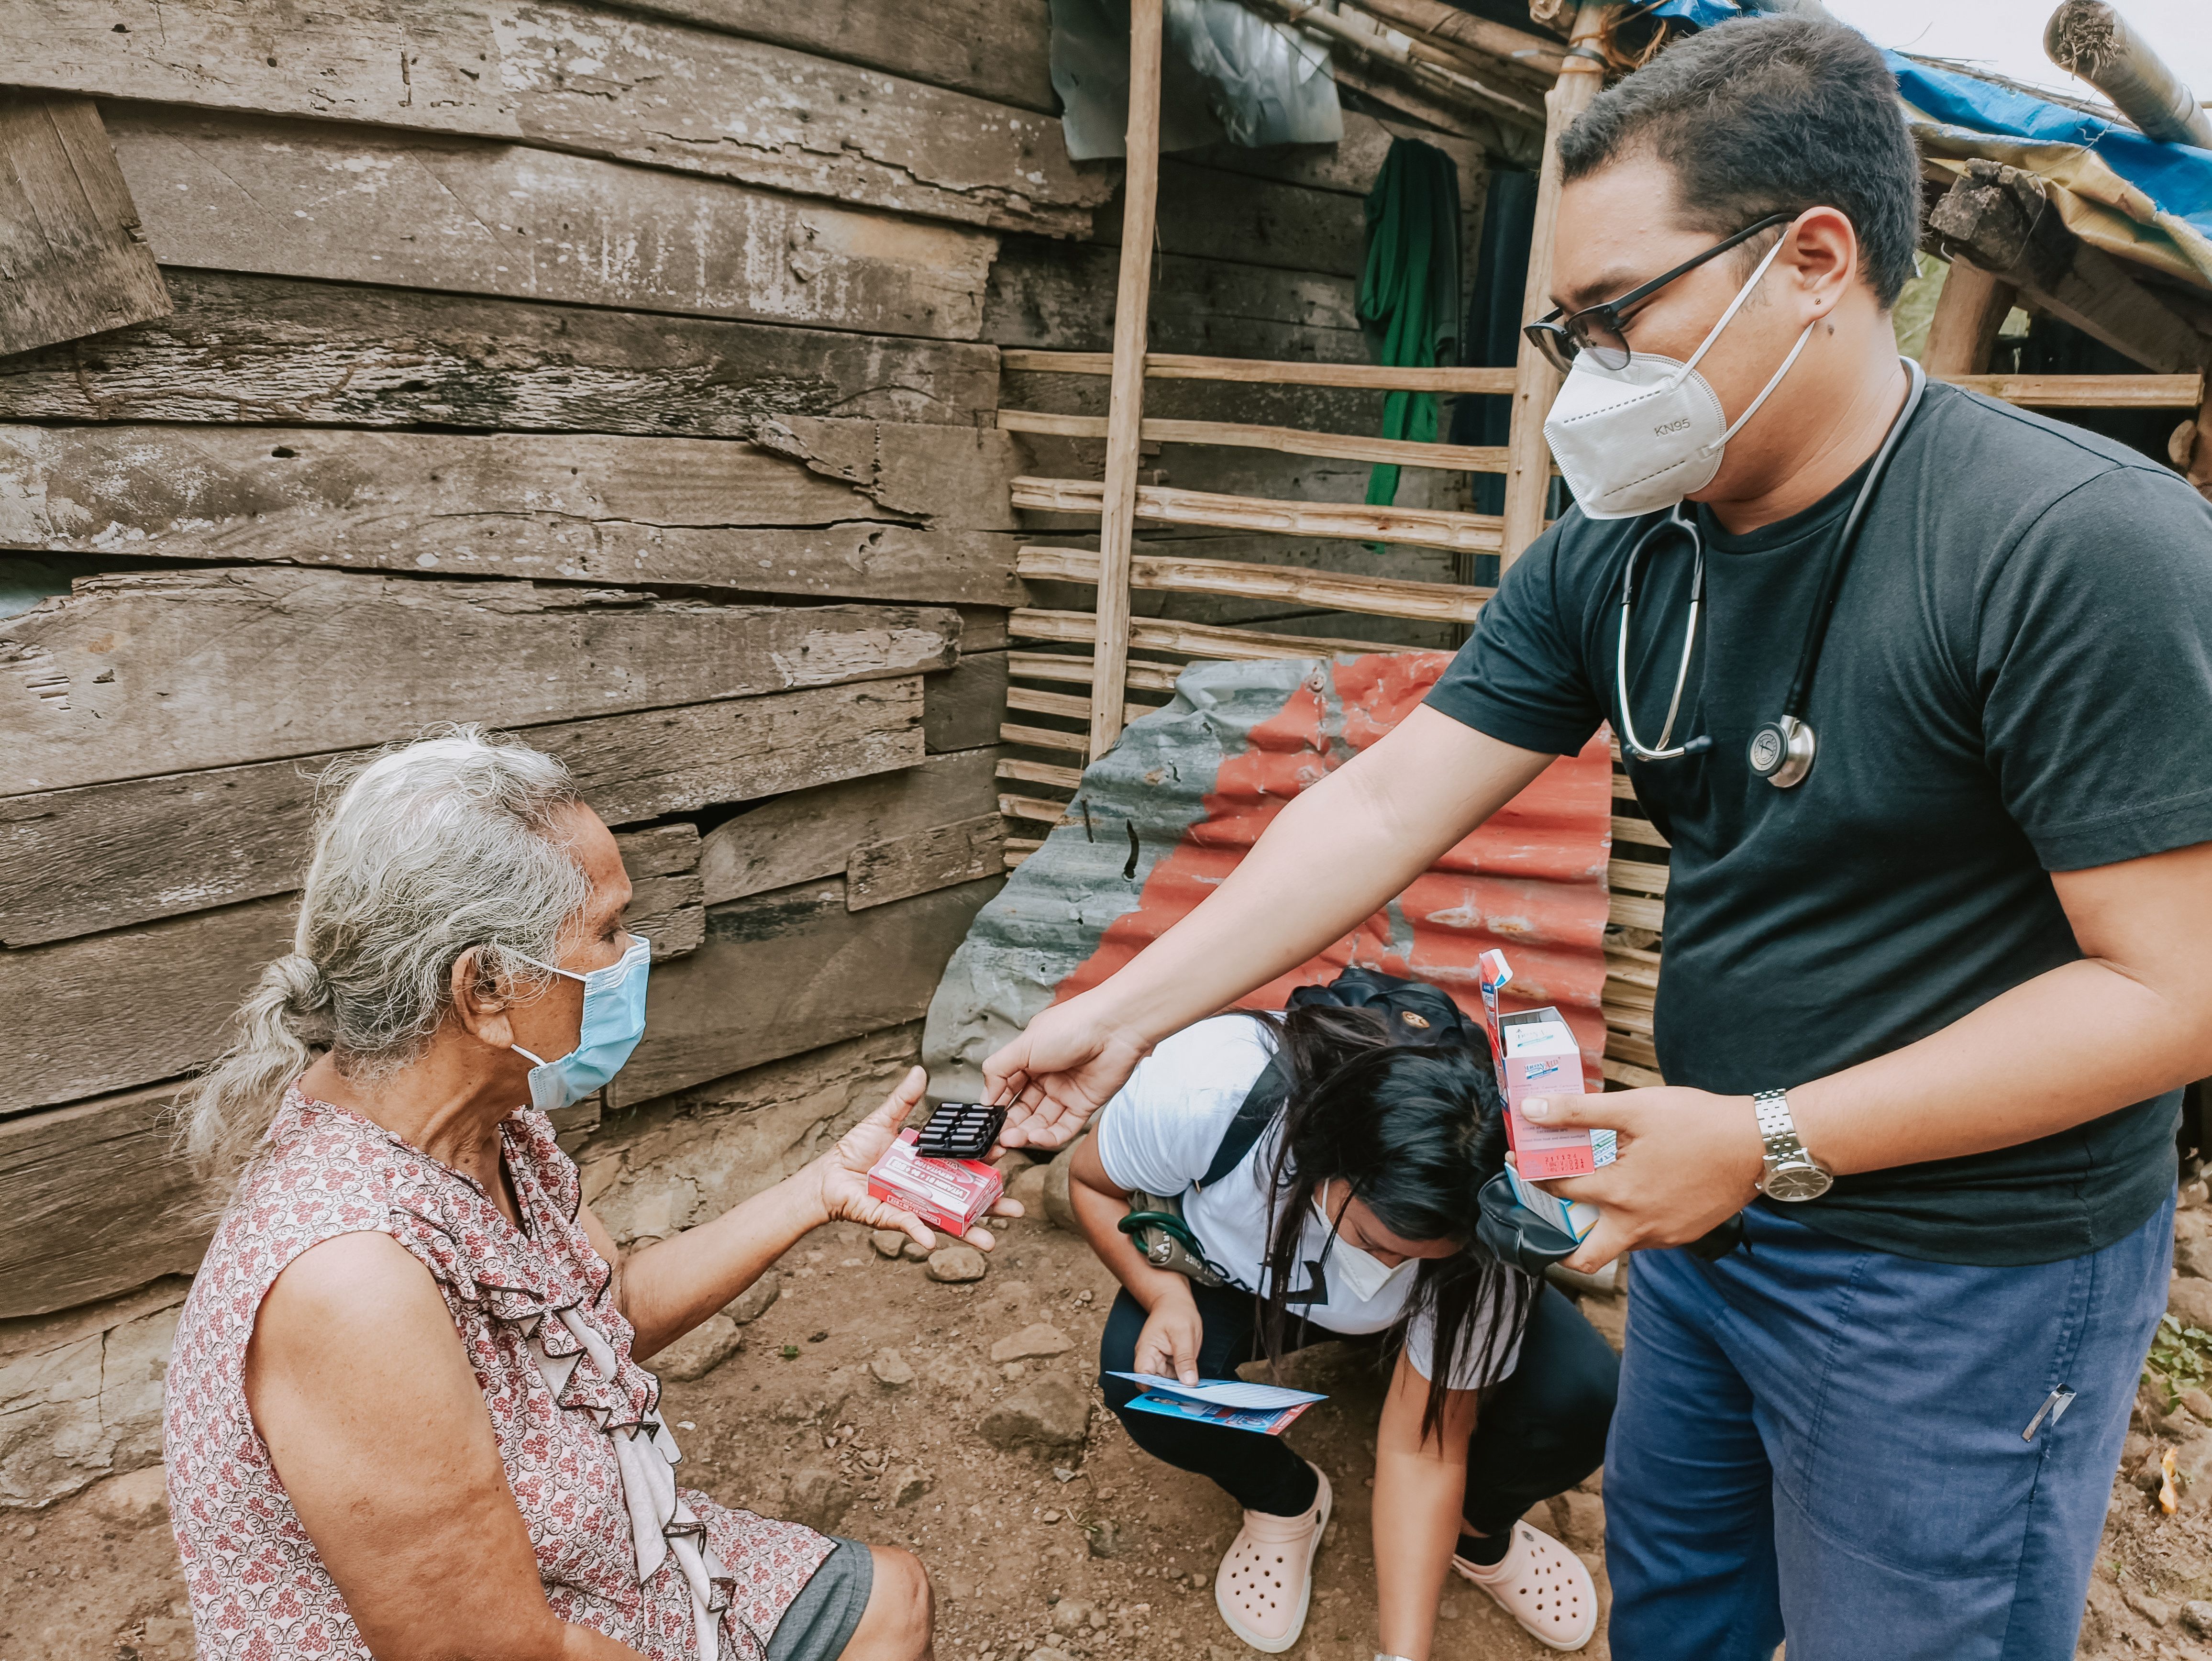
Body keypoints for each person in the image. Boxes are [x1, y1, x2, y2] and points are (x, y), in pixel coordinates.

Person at [984, 16, 2212, 1661]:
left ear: (1812, 260)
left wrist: (1771, 1136)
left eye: (1611, 318)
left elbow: (2169, 992)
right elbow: (1380, 800)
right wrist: (1120, 1009)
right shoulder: (1619, 553)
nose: (1585, 375)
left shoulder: (2075, 547)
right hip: (1703, 1215)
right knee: (1679, 1611)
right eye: (1563, 334)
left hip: (1959, 1278)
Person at [165, 729, 1017, 1661]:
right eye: (609, 929)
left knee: (892, 1599)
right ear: (485, 987)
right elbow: (492, 1650)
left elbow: (610, 1313)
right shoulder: (351, 1280)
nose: (630, 956)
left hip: (599, 1570)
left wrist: (819, 1188)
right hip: (529, 1633)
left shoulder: (488, 1121)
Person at [1070, 997, 1617, 1655]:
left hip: (1427, 1304)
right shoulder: (1211, 1093)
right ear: (1322, 1151)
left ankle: (1479, 1535)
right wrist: (1162, 1294)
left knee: (1586, 1397)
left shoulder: (1497, 1235)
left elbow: (1424, 1449)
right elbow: (1092, 1183)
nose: (1387, 1269)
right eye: (1372, 1241)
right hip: (1247, 1288)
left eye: (1421, 1259)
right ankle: (1285, 1500)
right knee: (1150, 1384)